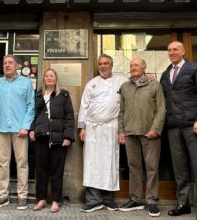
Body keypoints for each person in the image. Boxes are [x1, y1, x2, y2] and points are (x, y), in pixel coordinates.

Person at [160, 41, 197, 220]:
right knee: (179, 168)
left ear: (182, 51)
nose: (172, 52)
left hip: (193, 125)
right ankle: (183, 203)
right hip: (173, 126)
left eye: (175, 49)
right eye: (169, 50)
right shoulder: (165, 74)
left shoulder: (196, 68)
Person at [78, 54, 127, 213]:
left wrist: (147, 79)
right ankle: (93, 199)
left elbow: (134, 91)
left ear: (111, 65)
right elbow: (84, 106)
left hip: (111, 126)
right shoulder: (91, 84)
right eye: (100, 64)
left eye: (106, 63)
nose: (103, 66)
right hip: (92, 128)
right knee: (92, 163)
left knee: (110, 163)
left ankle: (108, 198)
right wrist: (82, 127)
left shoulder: (122, 81)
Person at [118, 58, 166, 217]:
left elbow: (161, 109)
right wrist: (121, 131)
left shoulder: (155, 84)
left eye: (137, 65)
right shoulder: (125, 87)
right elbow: (121, 112)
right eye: (131, 65)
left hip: (149, 133)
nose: (133, 67)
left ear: (144, 68)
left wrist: (155, 129)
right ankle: (136, 199)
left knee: (151, 168)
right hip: (130, 133)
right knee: (134, 167)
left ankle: (152, 201)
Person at [0, 54, 34, 210]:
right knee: (2, 163)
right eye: (4, 63)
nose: (7, 65)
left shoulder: (26, 83)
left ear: (17, 66)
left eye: (10, 63)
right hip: (1, 128)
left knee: (22, 163)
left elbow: (31, 106)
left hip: (19, 129)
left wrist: (26, 126)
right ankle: (3, 196)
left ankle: (22, 196)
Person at [29, 69, 75, 213]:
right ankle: (41, 199)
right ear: (43, 79)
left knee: (57, 171)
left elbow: (69, 117)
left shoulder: (64, 95)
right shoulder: (37, 94)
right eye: (46, 76)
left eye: (52, 76)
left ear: (56, 79)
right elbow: (32, 114)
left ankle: (56, 200)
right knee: (41, 170)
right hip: (41, 137)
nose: (49, 78)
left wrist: (67, 136)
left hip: (58, 138)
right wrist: (31, 129)